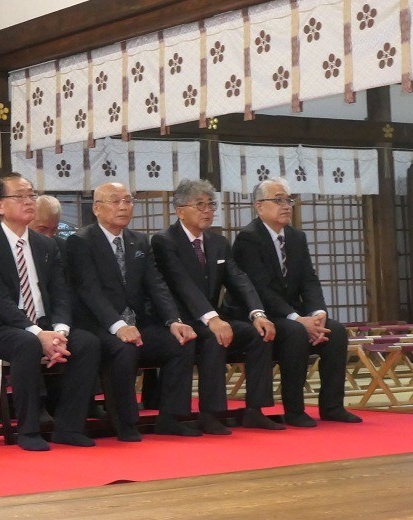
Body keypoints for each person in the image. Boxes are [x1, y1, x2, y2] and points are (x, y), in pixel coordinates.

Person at [0, 174, 99, 450]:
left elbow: (61, 292)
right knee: (27, 343)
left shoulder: (46, 245)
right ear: (0, 205)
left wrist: (60, 331)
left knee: (87, 343)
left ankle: (68, 427)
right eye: (20, 196)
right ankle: (28, 430)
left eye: (31, 195)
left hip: (45, 324)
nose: (29, 201)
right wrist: (39, 333)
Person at [66, 182, 199, 441]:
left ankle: (170, 417)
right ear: (96, 208)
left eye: (128, 201)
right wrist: (118, 326)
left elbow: (156, 284)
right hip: (99, 325)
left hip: (137, 322)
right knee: (123, 349)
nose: (124, 206)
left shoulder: (139, 240)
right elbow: (89, 290)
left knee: (180, 342)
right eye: (115, 201)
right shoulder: (80, 241)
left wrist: (174, 320)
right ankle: (125, 423)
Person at [151, 179, 283, 435]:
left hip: (211, 319)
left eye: (211, 204)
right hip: (177, 319)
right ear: (180, 210)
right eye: (199, 205)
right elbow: (181, 283)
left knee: (259, 334)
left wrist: (258, 313)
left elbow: (239, 278)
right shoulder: (165, 241)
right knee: (214, 338)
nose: (207, 210)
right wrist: (212, 319)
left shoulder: (217, 242)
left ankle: (255, 410)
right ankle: (210, 414)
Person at [232, 178, 359, 428]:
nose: (286, 205)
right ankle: (295, 409)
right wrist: (297, 319)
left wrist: (317, 313)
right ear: (259, 207)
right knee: (295, 332)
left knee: (336, 332)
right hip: (260, 313)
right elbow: (261, 288)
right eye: (278, 200)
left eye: (288, 200)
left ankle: (333, 406)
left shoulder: (296, 237)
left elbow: (309, 280)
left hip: (293, 312)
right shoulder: (248, 238)